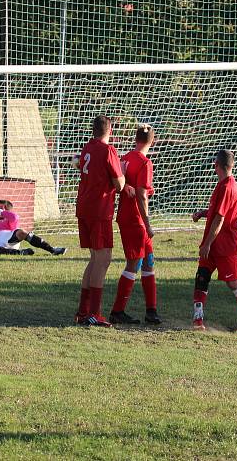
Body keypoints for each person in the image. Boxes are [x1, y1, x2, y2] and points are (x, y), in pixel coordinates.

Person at [191, 149, 237, 332]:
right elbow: (217, 212)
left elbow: (221, 218)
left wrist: (207, 244)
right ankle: (198, 320)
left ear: (217, 165)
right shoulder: (222, 185)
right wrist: (203, 213)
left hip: (224, 245)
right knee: (202, 277)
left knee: (233, 282)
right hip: (213, 243)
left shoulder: (229, 187)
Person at [75, 115, 125, 327]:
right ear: (110, 131)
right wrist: (123, 173)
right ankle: (94, 313)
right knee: (103, 259)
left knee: (95, 259)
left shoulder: (87, 148)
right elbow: (119, 184)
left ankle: (83, 312)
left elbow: (82, 167)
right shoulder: (108, 151)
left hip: (84, 207)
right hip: (99, 209)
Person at [109, 124, 161, 325]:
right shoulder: (145, 163)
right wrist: (148, 223)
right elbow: (141, 195)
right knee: (135, 263)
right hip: (135, 219)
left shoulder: (126, 157)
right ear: (152, 141)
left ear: (135, 139)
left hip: (126, 215)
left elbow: (119, 181)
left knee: (148, 260)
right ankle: (117, 310)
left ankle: (151, 310)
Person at [0, 200, 66, 256]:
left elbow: (15, 217)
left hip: (10, 240)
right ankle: (20, 253)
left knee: (21, 232)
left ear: (7, 210)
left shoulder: (9, 221)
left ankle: (52, 250)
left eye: (0, 208)